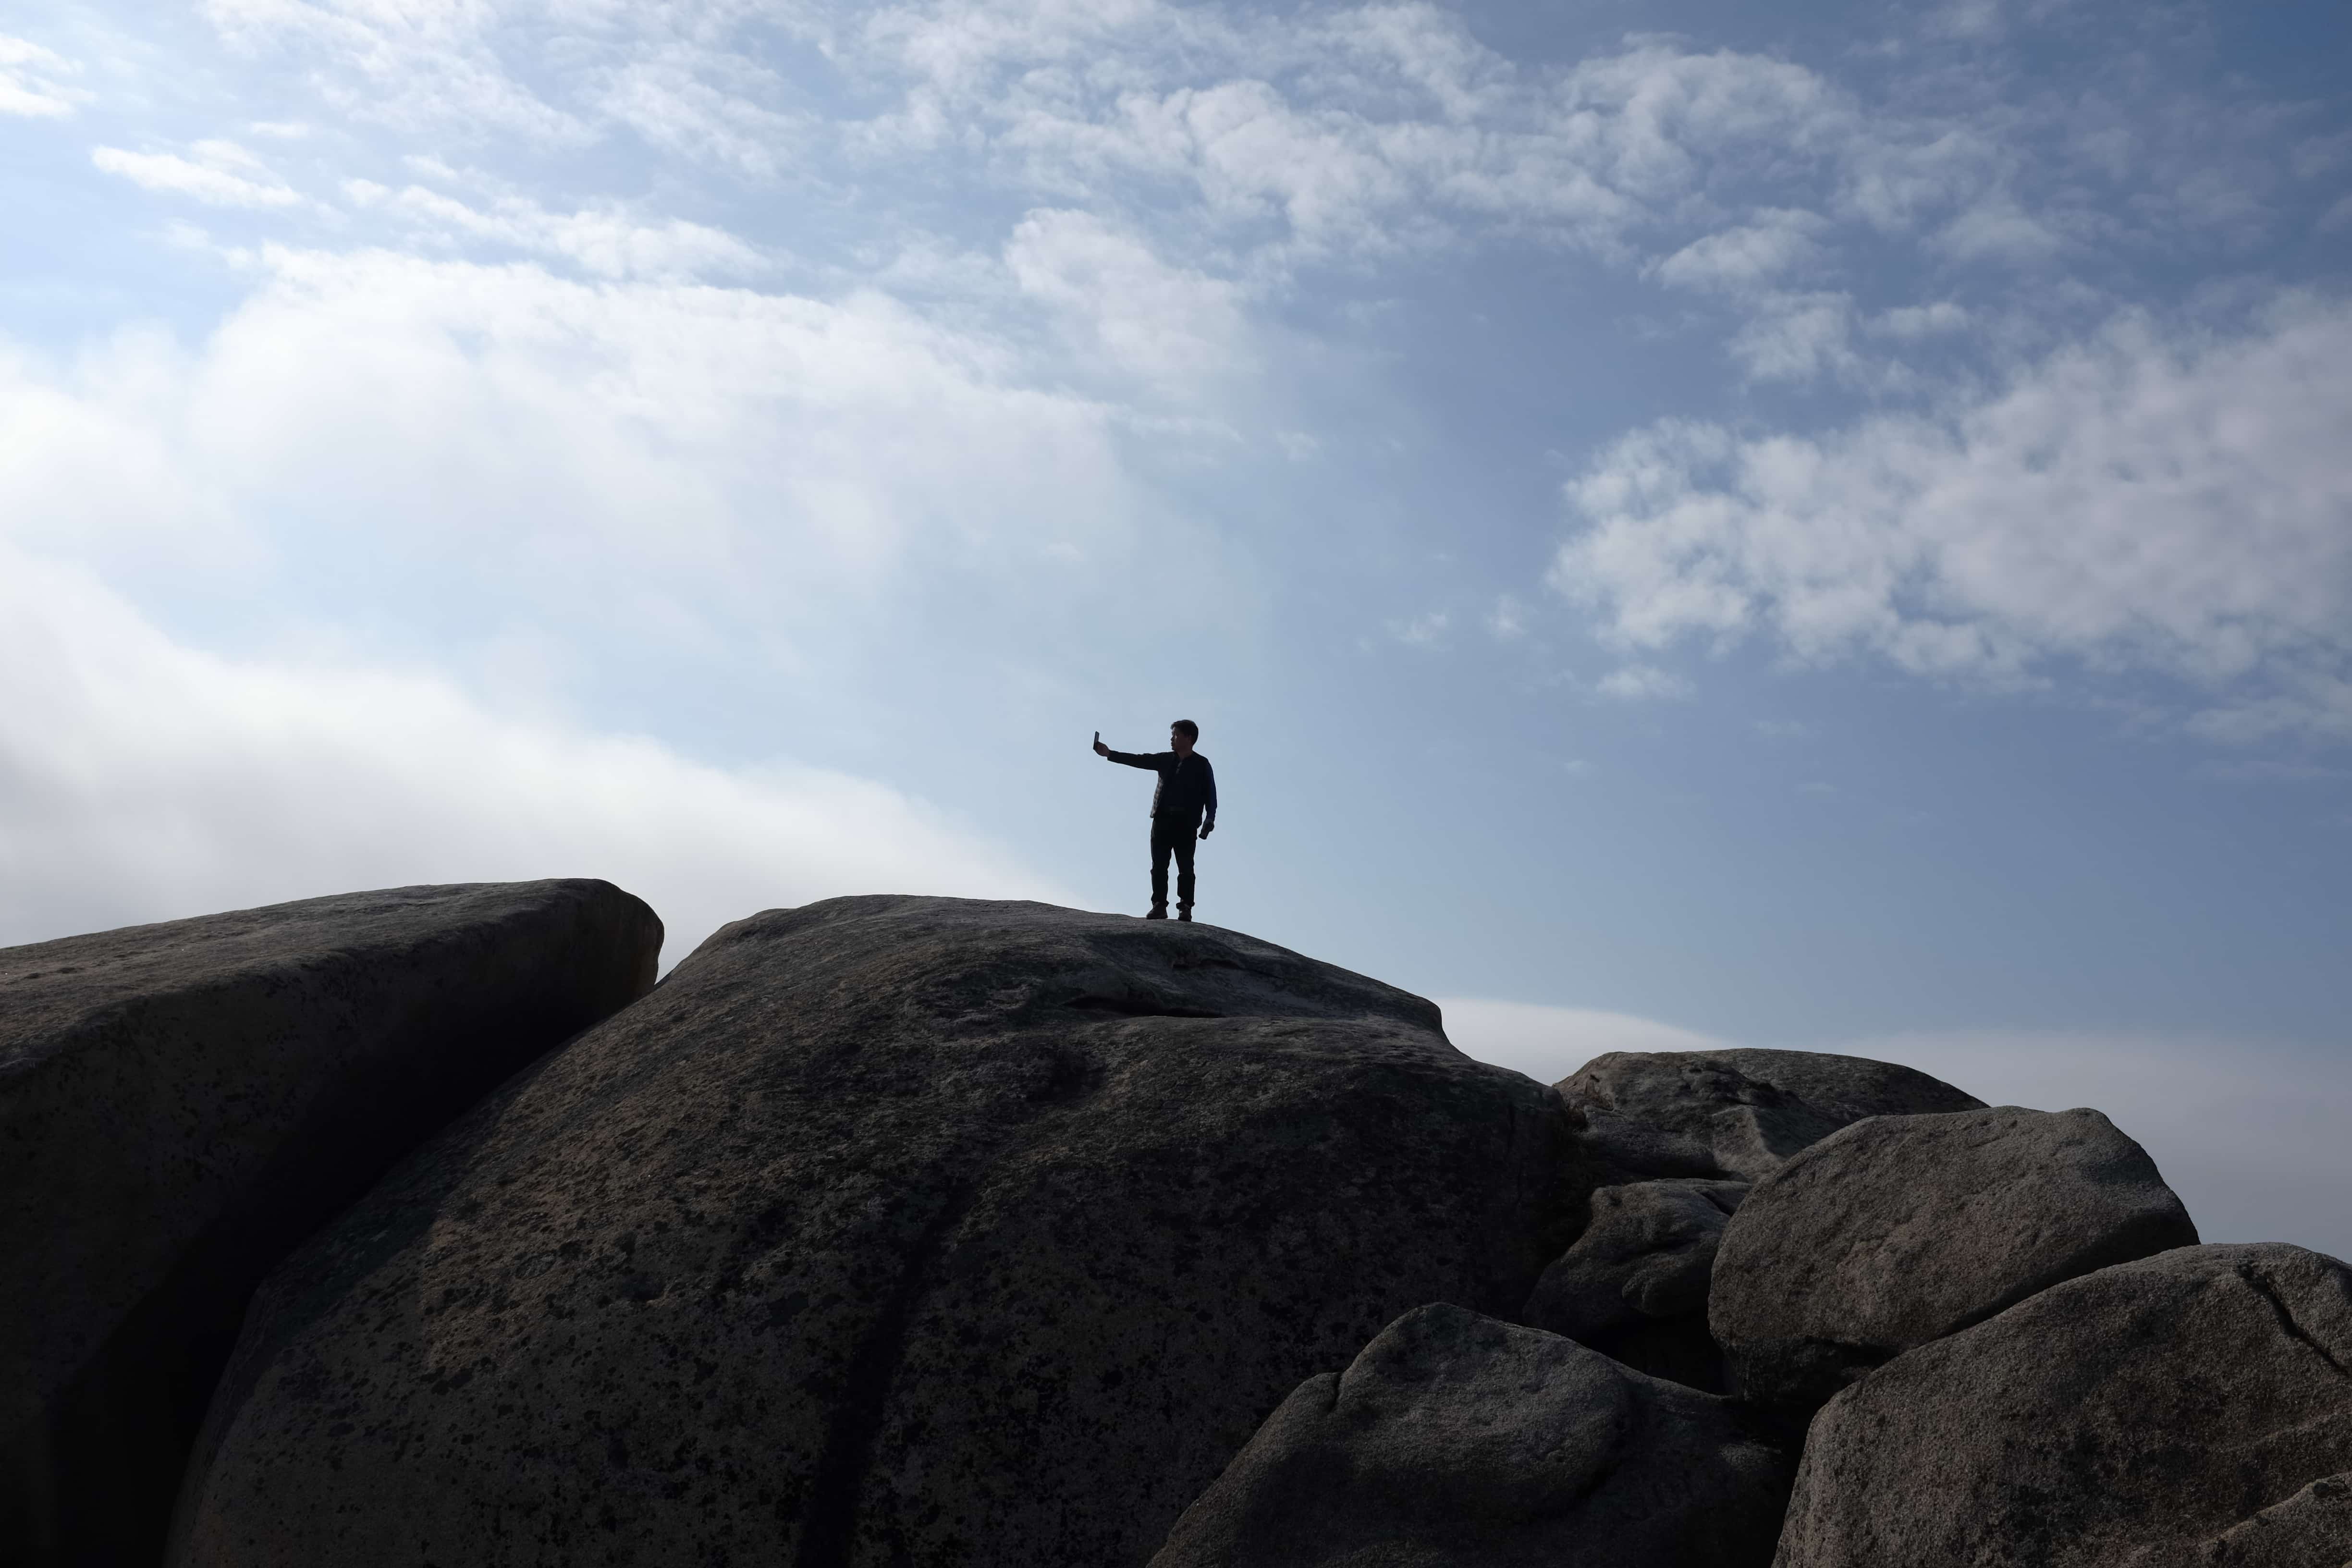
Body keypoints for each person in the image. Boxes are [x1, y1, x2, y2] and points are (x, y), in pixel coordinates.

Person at [1093, 720, 1217, 921]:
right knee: (1159, 865)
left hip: (1186, 825)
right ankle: (1159, 905)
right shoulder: (1165, 759)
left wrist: (1210, 819)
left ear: (1189, 738)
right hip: (1162, 821)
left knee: (1186, 867)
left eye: (1175, 735)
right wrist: (1110, 754)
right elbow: (1140, 760)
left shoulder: (1202, 765)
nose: (1172, 739)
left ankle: (1185, 907)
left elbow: (1211, 795)